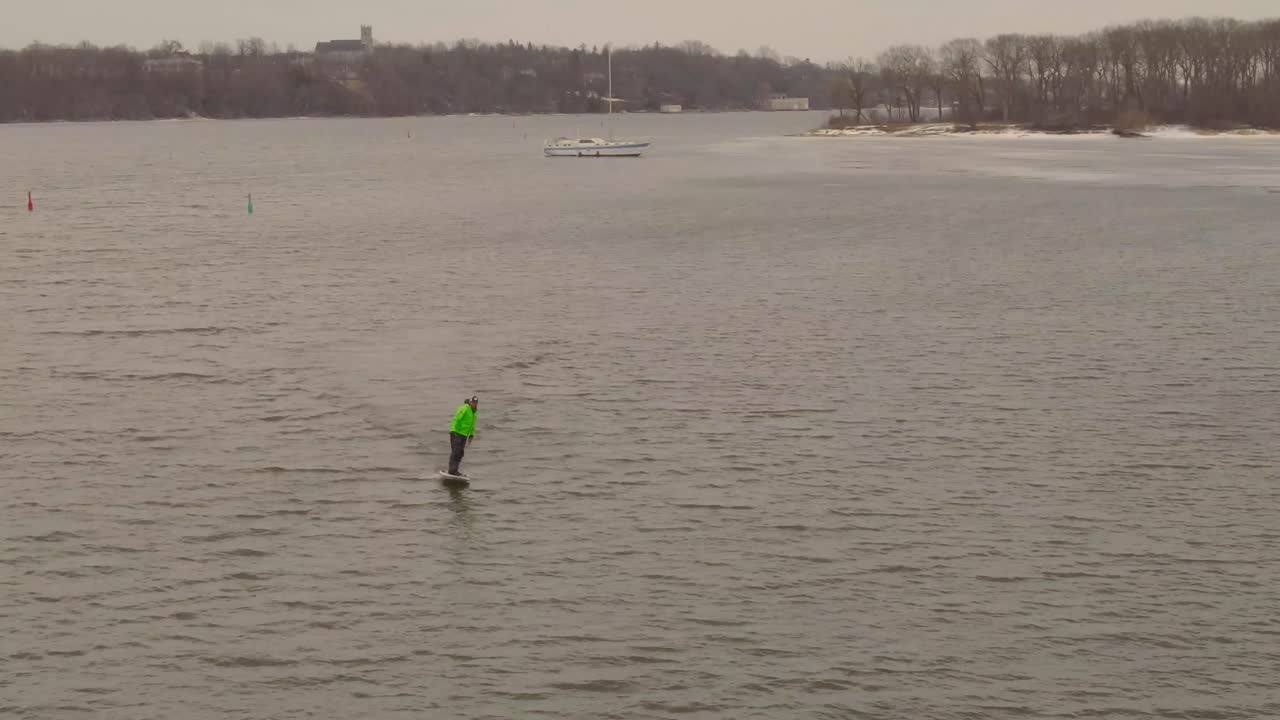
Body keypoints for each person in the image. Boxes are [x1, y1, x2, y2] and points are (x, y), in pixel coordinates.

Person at [447, 396, 478, 476]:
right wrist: (453, 430)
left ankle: (455, 470)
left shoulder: (474, 412)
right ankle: (452, 470)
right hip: (457, 433)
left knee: (460, 453)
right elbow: (457, 418)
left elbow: (472, 424)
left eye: (476, 403)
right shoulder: (465, 408)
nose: (474, 404)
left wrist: (471, 435)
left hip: (464, 435)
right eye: (473, 402)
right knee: (456, 452)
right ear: (470, 402)